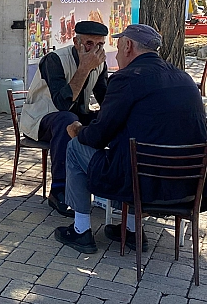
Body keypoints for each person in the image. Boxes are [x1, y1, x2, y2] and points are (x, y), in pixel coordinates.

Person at [55, 24, 207, 254]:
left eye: (116, 48)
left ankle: (81, 230)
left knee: (76, 147)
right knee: (129, 154)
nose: (115, 55)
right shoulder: (184, 78)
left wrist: (78, 130)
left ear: (128, 46)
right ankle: (133, 230)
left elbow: (98, 136)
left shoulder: (127, 78)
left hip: (142, 184)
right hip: (188, 185)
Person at [19, 20, 109, 217]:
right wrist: (84, 69)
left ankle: (105, 186)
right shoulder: (54, 60)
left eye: (100, 45)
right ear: (76, 42)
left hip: (74, 116)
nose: (94, 50)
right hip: (40, 120)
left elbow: (106, 100)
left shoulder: (99, 64)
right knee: (66, 119)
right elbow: (62, 103)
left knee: (105, 122)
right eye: (89, 44)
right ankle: (58, 190)